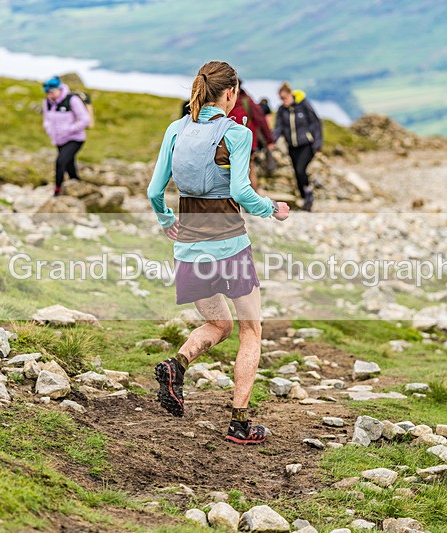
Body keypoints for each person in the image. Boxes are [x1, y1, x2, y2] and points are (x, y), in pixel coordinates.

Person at [147, 61, 290, 445]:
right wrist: (272, 208)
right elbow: (243, 192)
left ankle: (176, 366)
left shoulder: (175, 130)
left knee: (218, 326)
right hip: (229, 247)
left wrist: (165, 221)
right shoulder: (236, 134)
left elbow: (154, 191)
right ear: (229, 94)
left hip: (189, 248)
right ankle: (240, 423)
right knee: (250, 330)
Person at [271, 82, 323, 211]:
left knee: (301, 169)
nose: (283, 101)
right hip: (292, 146)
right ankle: (305, 197)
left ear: (290, 94)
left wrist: (317, 144)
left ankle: (308, 192)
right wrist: (272, 141)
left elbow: (315, 124)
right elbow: (278, 128)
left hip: (306, 144)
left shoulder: (303, 105)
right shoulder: (282, 110)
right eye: (281, 99)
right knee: (296, 173)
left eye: (285, 98)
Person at [42, 76, 92, 197]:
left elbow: (85, 119)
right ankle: (79, 186)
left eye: (52, 92)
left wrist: (69, 129)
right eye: (47, 93)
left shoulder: (72, 100)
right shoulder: (47, 103)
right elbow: (47, 120)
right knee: (69, 165)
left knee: (60, 162)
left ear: (59, 89)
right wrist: (49, 129)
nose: (50, 95)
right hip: (59, 140)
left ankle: (57, 191)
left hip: (75, 139)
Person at [227, 83, 274, 191]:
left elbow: (261, 120)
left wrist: (269, 140)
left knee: (249, 168)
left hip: (247, 143)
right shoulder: (235, 101)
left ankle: (252, 201)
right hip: (231, 143)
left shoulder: (246, 102)